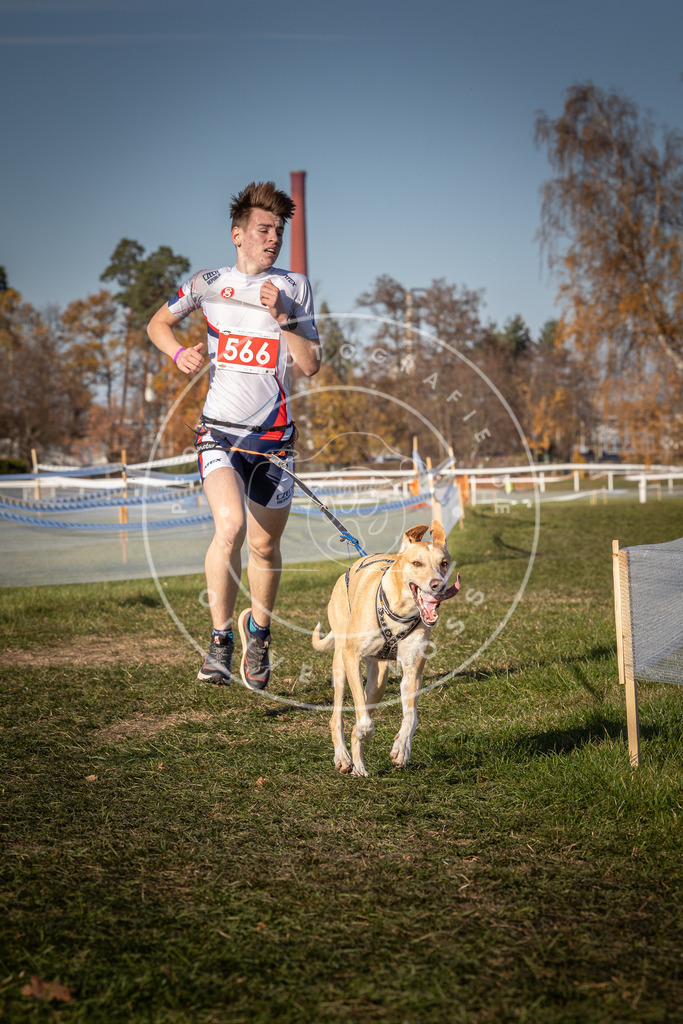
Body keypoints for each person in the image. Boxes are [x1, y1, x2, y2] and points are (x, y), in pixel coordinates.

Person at [147, 181, 321, 690]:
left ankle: (258, 632)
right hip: (218, 433)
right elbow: (158, 323)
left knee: (265, 547)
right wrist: (179, 353)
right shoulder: (207, 283)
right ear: (238, 234)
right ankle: (220, 641)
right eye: (264, 229)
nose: (274, 239)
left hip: (274, 441)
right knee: (229, 527)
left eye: (279, 231)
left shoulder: (296, 286)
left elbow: (310, 366)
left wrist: (283, 315)